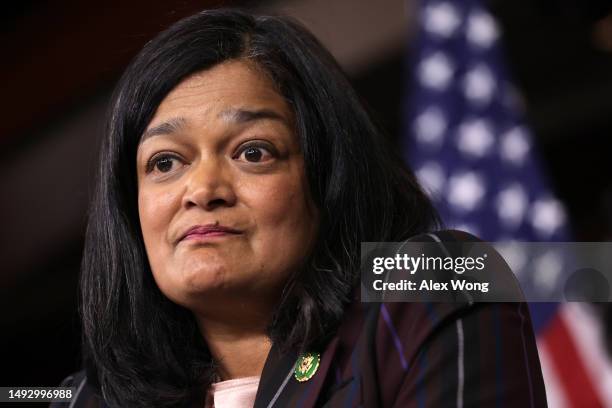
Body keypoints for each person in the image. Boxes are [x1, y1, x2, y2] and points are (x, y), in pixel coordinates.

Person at [54, 8, 547, 407]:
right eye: (164, 162)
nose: (202, 189)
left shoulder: (433, 284)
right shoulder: (84, 400)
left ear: (328, 174)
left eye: (253, 152)